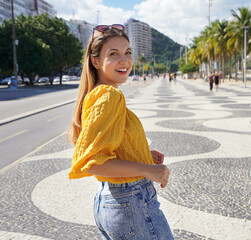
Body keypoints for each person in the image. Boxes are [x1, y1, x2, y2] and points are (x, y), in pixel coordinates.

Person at [67, 24, 173, 240]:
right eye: (113, 54)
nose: (124, 61)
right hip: (131, 203)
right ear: (95, 61)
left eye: (127, 53)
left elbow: (111, 146)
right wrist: (148, 170)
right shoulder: (109, 96)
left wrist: (143, 154)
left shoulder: (97, 94)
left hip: (112, 201)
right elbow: (94, 163)